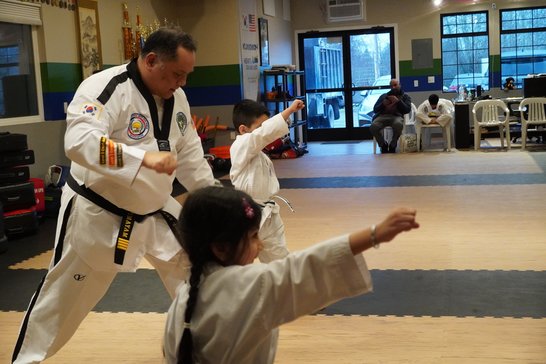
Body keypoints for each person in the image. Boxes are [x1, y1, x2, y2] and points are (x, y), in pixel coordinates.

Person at [12, 27, 216, 363]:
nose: (182, 83)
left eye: (186, 75)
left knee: (199, 278)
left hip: (154, 212)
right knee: (61, 300)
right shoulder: (104, 88)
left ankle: (199, 353)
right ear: (151, 60)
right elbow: (78, 143)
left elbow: (190, 155)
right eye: (178, 73)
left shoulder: (177, 97)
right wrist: (140, 157)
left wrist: (220, 204)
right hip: (98, 215)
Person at [163, 186, 419, 363]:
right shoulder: (249, 286)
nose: (260, 246)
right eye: (253, 237)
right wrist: (375, 234)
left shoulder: (184, 296)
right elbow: (303, 267)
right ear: (220, 248)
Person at [230, 98, 305, 262]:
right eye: (259, 127)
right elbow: (263, 134)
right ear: (243, 129)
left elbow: (266, 132)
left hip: (267, 213)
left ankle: (283, 283)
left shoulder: (260, 154)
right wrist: (289, 110)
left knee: (279, 259)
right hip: (246, 215)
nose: (265, 132)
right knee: (238, 262)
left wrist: (286, 116)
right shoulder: (240, 145)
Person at [370, 79, 412, 153]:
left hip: (396, 117)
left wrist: (398, 101)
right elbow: (375, 109)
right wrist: (383, 104)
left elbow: (407, 110)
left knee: (398, 124)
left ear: (399, 85)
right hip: (382, 116)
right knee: (373, 126)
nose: (393, 87)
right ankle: (383, 144)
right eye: (391, 86)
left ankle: (393, 144)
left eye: (395, 85)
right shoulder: (384, 96)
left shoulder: (405, 96)